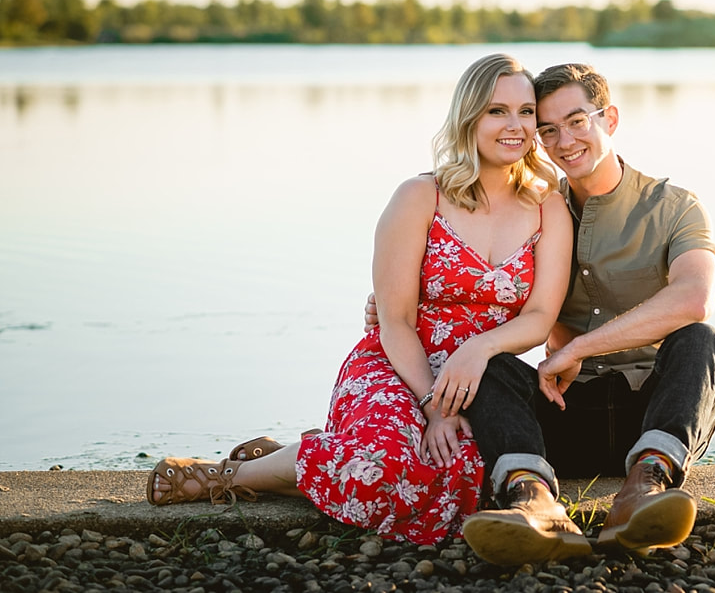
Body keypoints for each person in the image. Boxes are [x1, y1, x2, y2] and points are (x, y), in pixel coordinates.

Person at [146, 53, 574, 546]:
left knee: (465, 478)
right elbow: (394, 320)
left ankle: (297, 454)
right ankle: (225, 478)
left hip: (482, 379)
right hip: (396, 363)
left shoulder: (547, 206)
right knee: (384, 470)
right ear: (469, 116)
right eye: (497, 111)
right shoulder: (420, 197)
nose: (514, 126)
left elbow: (540, 318)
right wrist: (434, 405)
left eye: (525, 112)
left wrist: (478, 350)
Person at [367, 62, 715, 565]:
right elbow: (483, 289)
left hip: (654, 412)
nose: (564, 140)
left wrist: (578, 345)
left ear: (611, 119)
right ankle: (531, 500)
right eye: (549, 128)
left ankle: (645, 487)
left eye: (577, 121)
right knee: (488, 360)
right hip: (565, 408)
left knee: (699, 340)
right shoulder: (537, 208)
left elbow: (694, 297)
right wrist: (397, 305)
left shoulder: (674, 206)